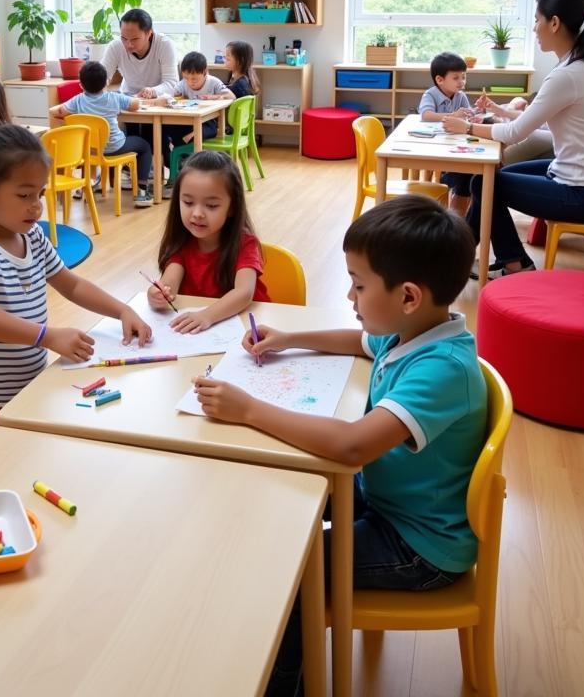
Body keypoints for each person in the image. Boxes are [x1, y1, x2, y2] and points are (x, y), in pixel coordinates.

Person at [194, 195, 485, 696]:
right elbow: (358, 341)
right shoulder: (411, 331)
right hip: (389, 500)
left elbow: (351, 446)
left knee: (288, 575)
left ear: (409, 296)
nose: (351, 297)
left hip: (418, 547)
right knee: (274, 499)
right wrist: (291, 338)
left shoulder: (443, 369)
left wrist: (249, 410)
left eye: (359, 285)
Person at [0, 124, 152, 442]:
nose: (36, 205)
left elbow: (72, 285)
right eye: (24, 195)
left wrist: (122, 310)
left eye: (40, 194)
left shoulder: (32, 235)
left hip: (30, 390)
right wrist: (46, 336)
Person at [445, 0, 584, 276]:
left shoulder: (568, 75)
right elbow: (542, 124)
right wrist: (501, 113)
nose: (535, 28)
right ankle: (473, 260)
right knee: (488, 179)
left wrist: (468, 126)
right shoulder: (580, 66)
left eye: (537, 20)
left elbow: (515, 134)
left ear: (555, 23)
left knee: (488, 184)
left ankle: (467, 263)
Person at [149, 150, 269, 334]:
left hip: (250, 328)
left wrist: (207, 316)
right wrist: (159, 294)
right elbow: (169, 283)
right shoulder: (181, 243)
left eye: (211, 206)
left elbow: (244, 293)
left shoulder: (245, 243)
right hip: (204, 334)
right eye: (188, 202)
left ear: (232, 208)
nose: (197, 213)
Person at [48, 60, 153, 208]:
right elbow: (135, 105)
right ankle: (142, 191)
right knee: (144, 146)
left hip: (89, 150)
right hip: (114, 147)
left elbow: (55, 111)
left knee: (109, 140)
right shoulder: (114, 97)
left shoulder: (78, 100)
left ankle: (93, 181)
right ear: (106, 82)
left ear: (81, 85)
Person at [154, 51, 235, 194]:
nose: (190, 82)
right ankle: (179, 166)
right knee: (166, 128)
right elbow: (173, 95)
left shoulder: (213, 82)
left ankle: (184, 162)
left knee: (198, 132)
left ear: (205, 72)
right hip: (188, 122)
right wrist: (173, 99)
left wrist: (213, 97)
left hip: (209, 123)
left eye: (195, 79)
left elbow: (231, 96)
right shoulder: (183, 84)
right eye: (186, 78)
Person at [418, 52, 477, 217]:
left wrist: (474, 114)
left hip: (454, 144)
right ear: (440, 80)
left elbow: (467, 114)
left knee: (468, 167)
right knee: (461, 172)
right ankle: (452, 188)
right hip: (434, 146)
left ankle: (458, 194)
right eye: (456, 78)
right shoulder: (430, 94)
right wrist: (452, 116)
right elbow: (426, 115)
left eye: (464, 77)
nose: (461, 82)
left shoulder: (461, 96)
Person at [101, 8, 179, 100]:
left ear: (149, 33)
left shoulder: (164, 44)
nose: (128, 45)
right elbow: (102, 76)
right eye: (124, 38)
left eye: (134, 39)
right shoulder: (115, 46)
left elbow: (171, 84)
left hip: (157, 100)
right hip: (127, 99)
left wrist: (152, 91)